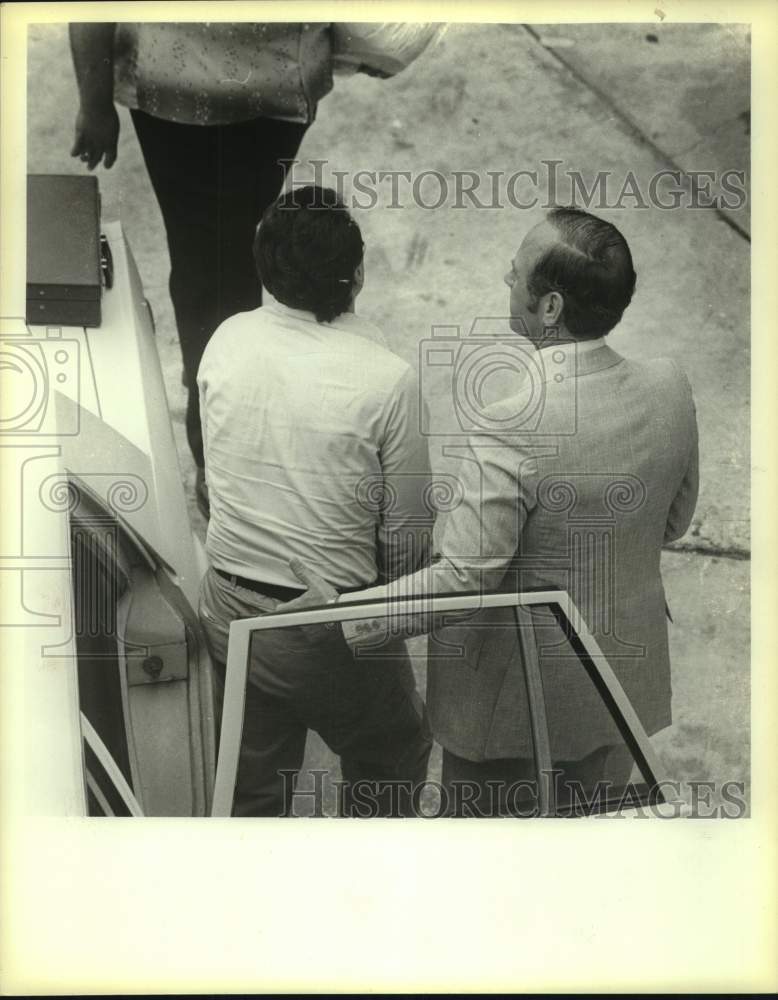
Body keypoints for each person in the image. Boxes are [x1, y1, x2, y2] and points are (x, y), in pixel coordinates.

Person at [282, 207, 700, 817]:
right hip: (622, 684)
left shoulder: (511, 423)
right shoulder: (670, 386)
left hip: (515, 702)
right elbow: (673, 523)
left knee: (483, 864)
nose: (507, 278)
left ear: (550, 307)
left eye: (517, 272)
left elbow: (465, 579)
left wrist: (346, 615)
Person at [196, 186, 434, 817]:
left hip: (229, 610)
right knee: (393, 753)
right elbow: (409, 539)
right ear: (356, 276)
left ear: (262, 264)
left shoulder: (225, 340)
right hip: (331, 623)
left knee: (250, 790)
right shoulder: (387, 379)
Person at [69, 22, 336, 516]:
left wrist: (95, 99)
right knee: (222, 262)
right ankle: (221, 443)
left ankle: (218, 441)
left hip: (186, 86)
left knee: (210, 262)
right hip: (267, 79)